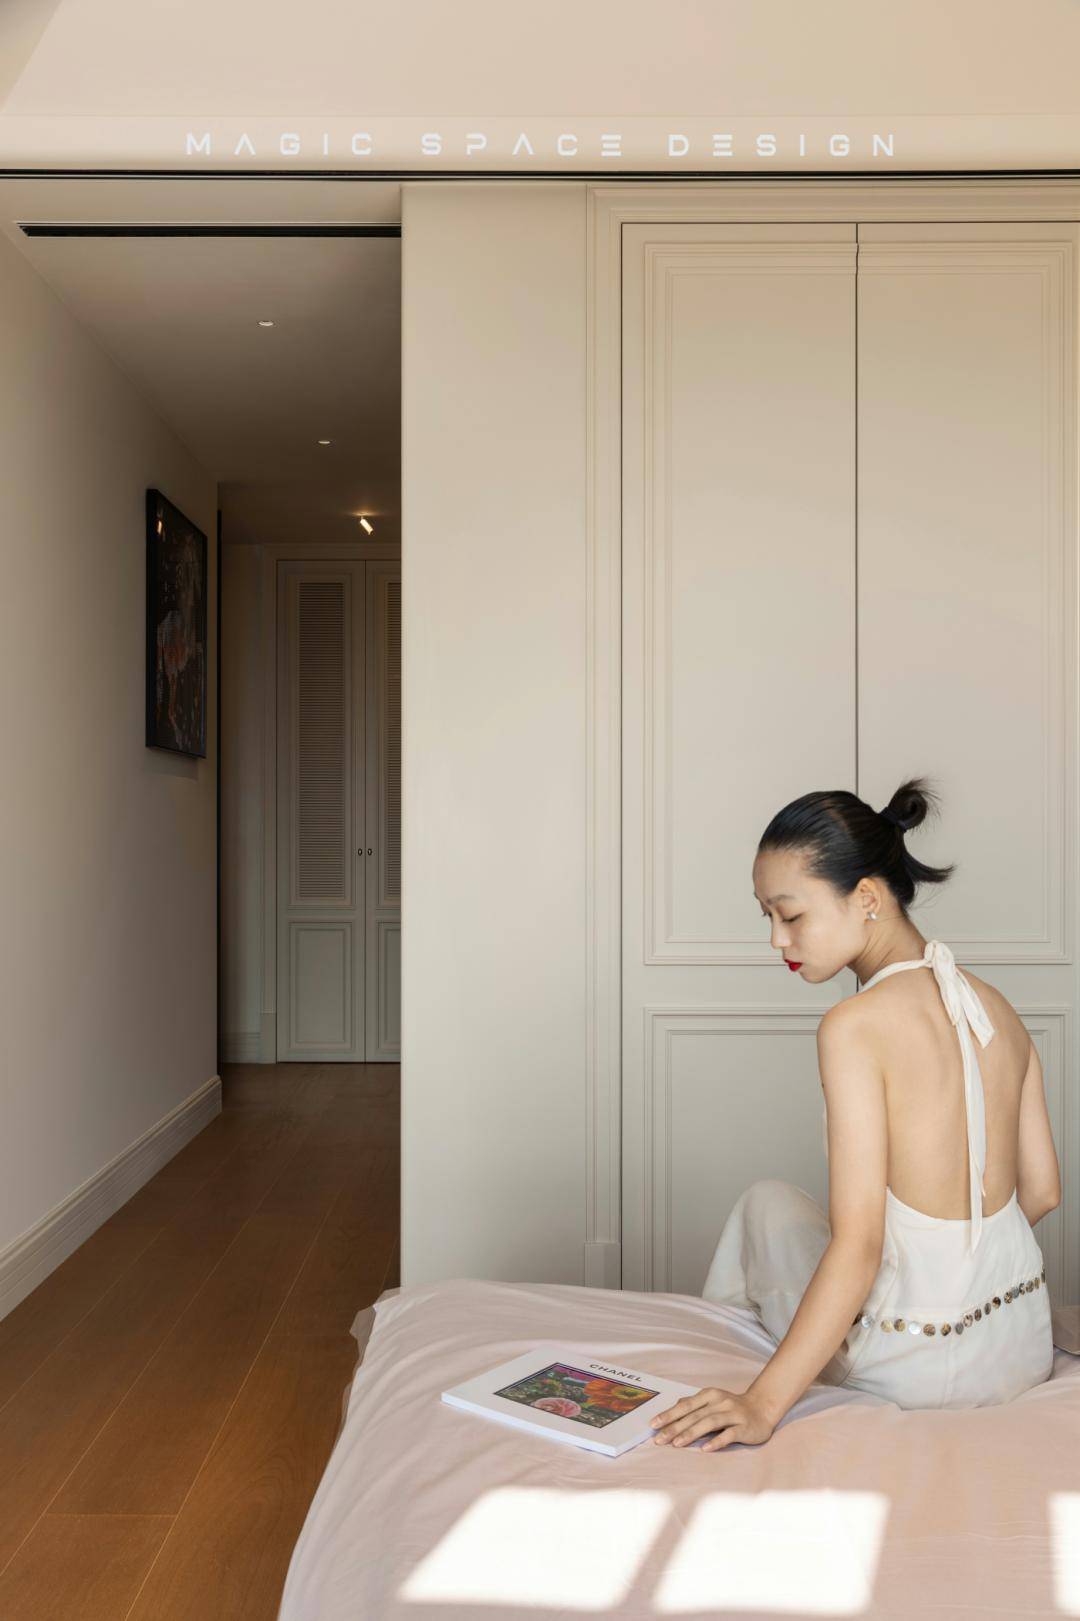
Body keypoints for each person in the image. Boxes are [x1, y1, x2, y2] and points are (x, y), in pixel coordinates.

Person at [649, 776, 1061, 1453]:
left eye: (790, 915)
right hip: (1019, 1346)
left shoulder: (854, 1025)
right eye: (767, 916)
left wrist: (761, 1406)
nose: (776, 939)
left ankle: (733, 1366)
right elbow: (1041, 1191)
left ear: (867, 897)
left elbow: (860, 1245)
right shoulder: (997, 1009)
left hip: (912, 1367)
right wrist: (959, 1276)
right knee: (787, 1210)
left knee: (763, 1205)